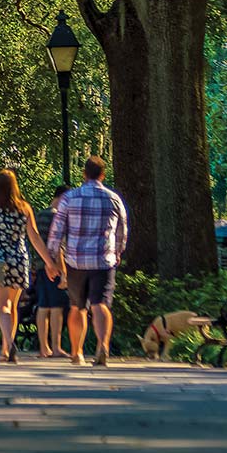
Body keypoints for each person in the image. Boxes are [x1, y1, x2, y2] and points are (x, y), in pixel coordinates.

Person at [47, 155, 130, 367]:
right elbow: (122, 230)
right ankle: (103, 345)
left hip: (76, 261)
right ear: (103, 175)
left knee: (77, 307)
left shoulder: (70, 198)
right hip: (103, 260)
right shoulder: (113, 199)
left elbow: (57, 231)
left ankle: (77, 352)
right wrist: (118, 251)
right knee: (101, 304)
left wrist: (52, 260)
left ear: (84, 174)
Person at [0, 169, 57, 364]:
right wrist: (50, 262)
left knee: (2, 306)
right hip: (19, 260)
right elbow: (35, 238)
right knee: (13, 306)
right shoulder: (24, 208)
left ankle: (9, 344)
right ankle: (6, 349)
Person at [33, 186, 71, 358]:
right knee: (56, 307)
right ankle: (56, 347)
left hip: (40, 265)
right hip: (54, 266)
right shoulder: (57, 216)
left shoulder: (39, 215)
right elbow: (59, 246)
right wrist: (62, 271)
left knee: (43, 306)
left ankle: (43, 347)